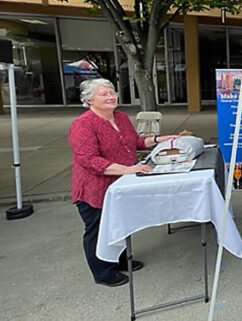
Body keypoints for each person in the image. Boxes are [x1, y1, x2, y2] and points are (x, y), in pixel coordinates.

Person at [68, 78, 178, 287]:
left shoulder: (120, 117)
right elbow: (89, 160)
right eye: (104, 94)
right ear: (89, 100)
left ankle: (118, 260)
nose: (111, 97)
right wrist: (128, 169)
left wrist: (158, 140)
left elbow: (135, 142)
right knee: (98, 229)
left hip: (122, 184)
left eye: (112, 93)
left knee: (119, 223)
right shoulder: (82, 124)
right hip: (94, 189)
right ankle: (103, 272)